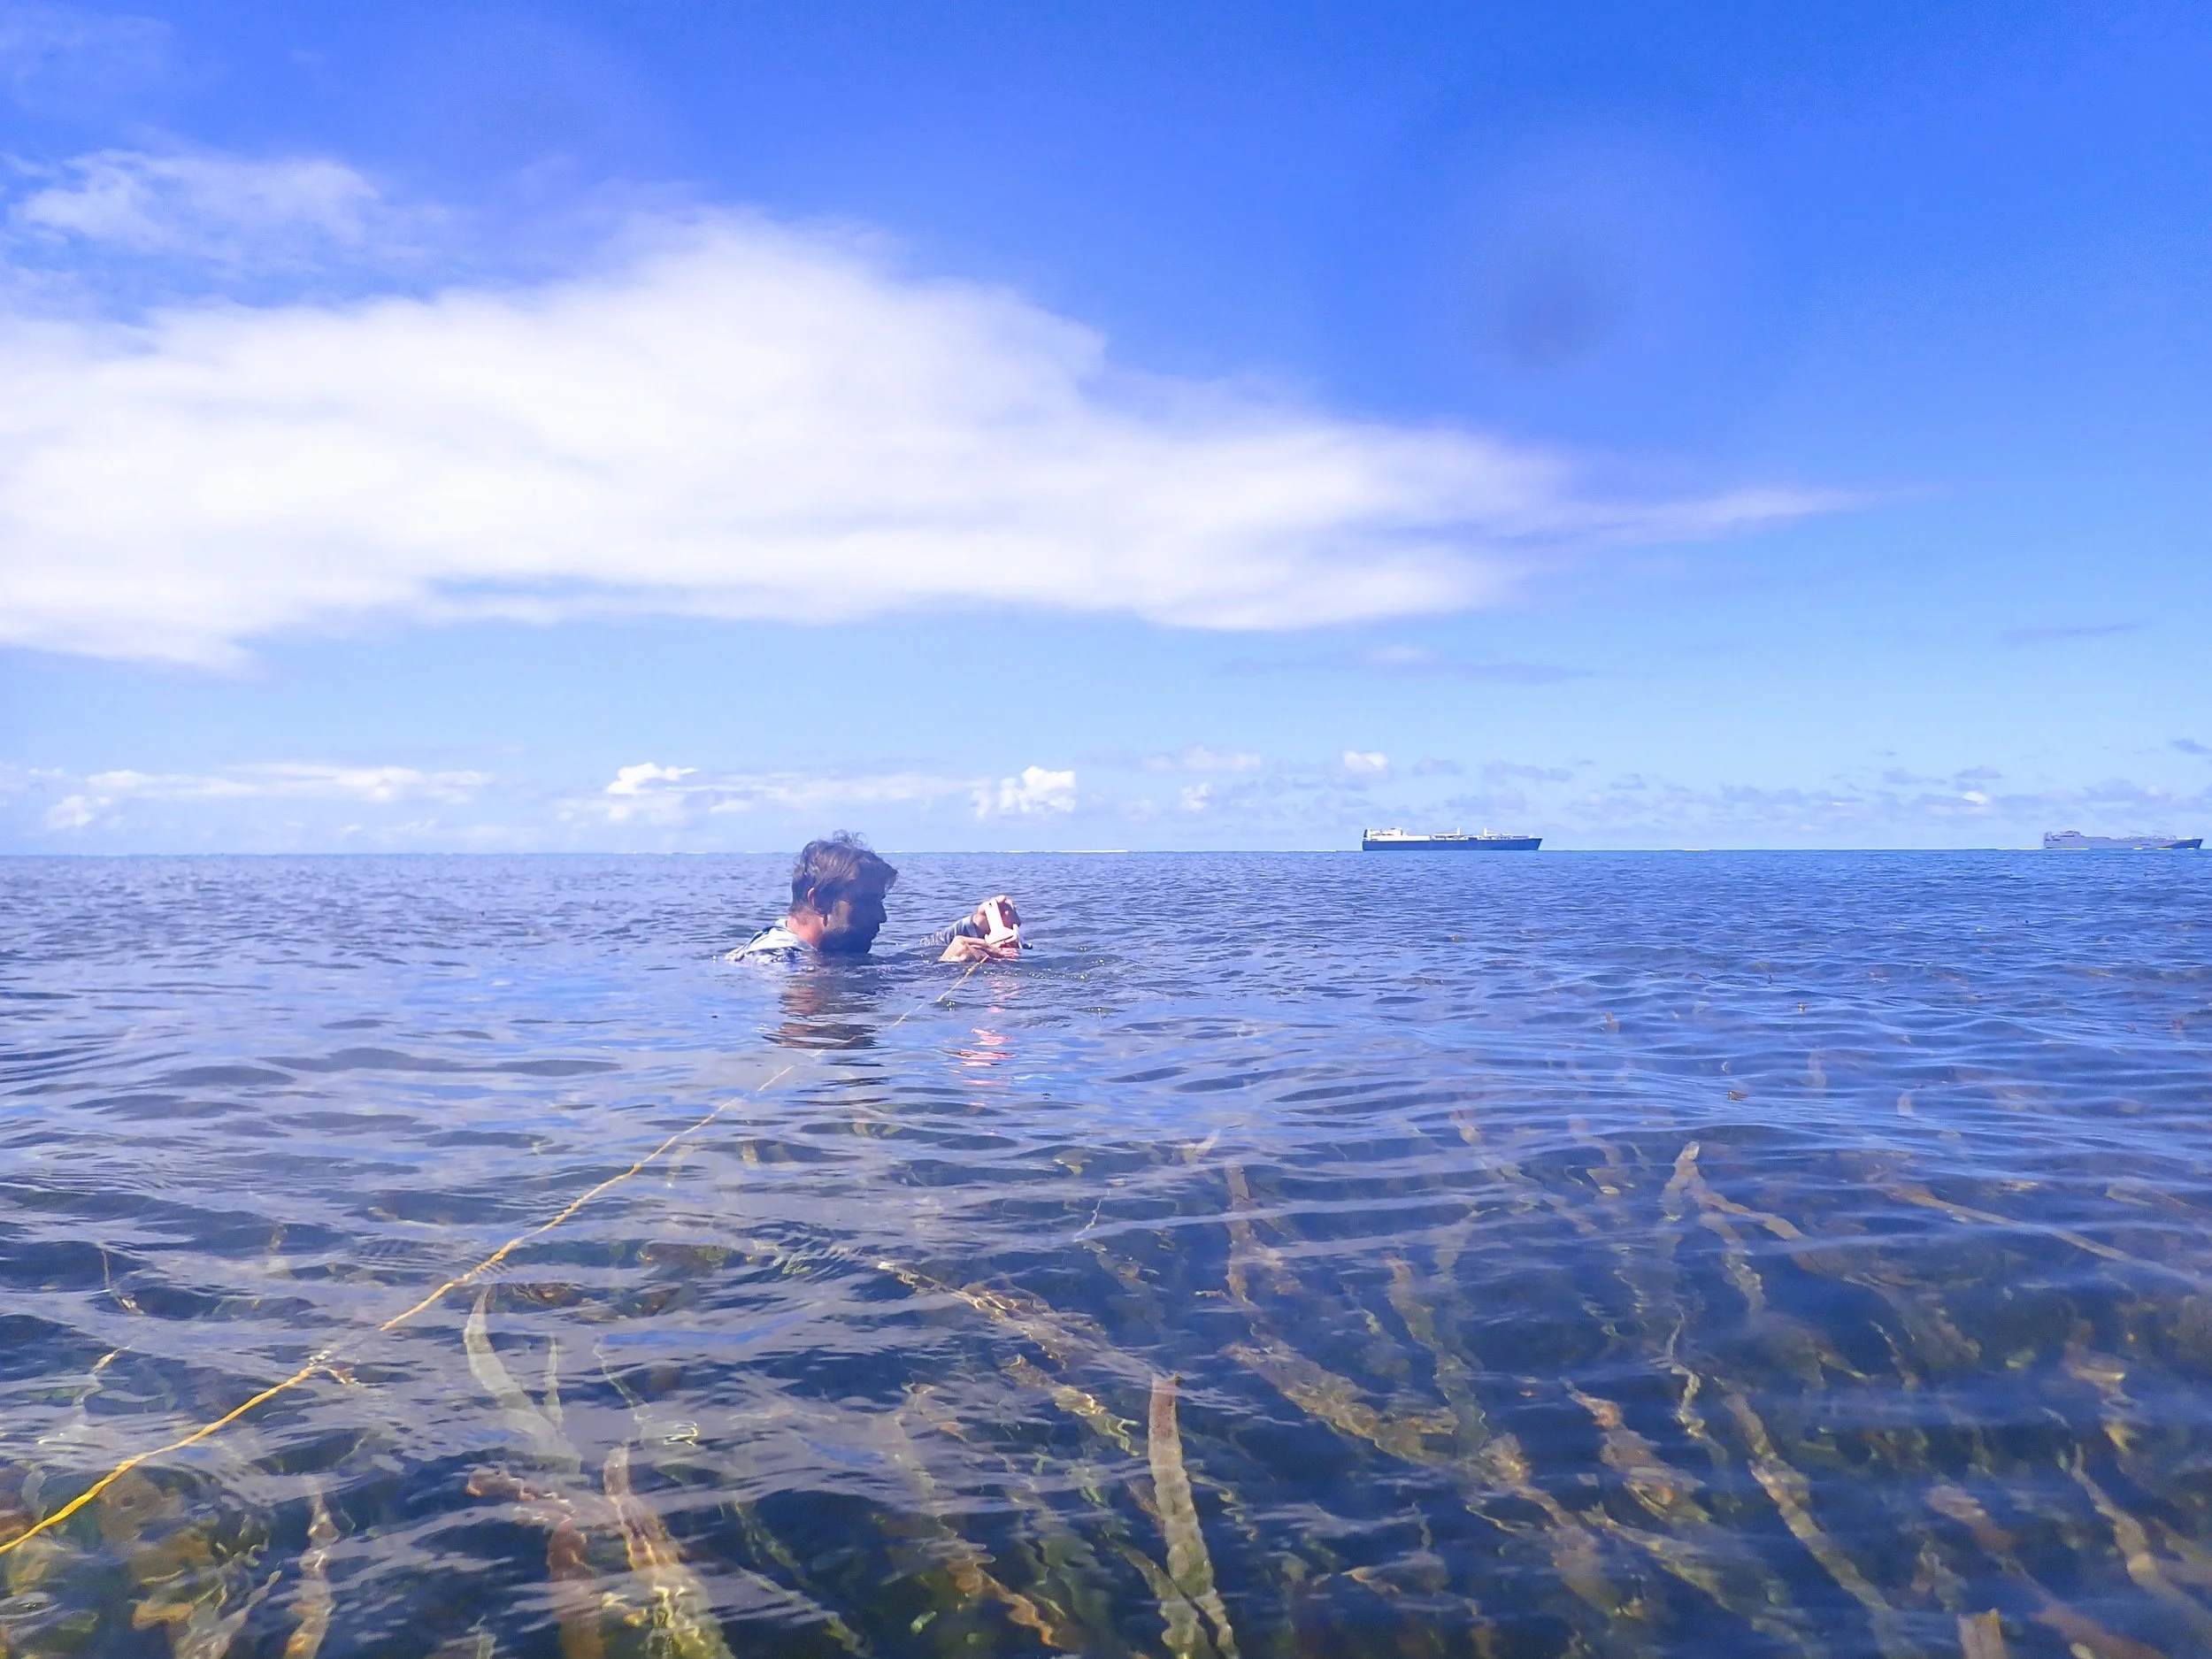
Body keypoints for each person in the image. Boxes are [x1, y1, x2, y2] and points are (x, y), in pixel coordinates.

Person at [730, 833, 1022, 964]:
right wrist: (942, 970)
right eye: (867, 901)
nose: (882, 916)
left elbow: (906, 957)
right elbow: (810, 994)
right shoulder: (771, 958)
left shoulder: (828, 950)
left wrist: (974, 925)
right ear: (819, 902)